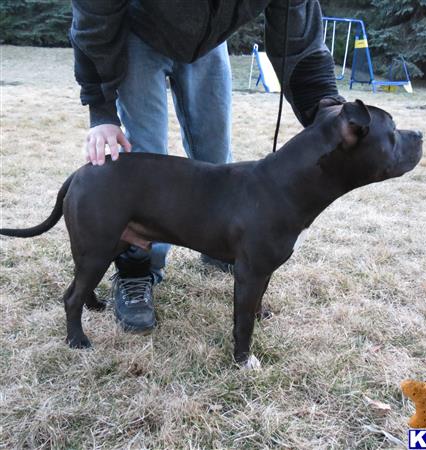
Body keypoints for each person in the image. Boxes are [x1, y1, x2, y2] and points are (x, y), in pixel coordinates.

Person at [70, 0, 344, 333]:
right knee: (144, 158)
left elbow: (299, 40)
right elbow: (94, 14)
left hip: (209, 44)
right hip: (137, 30)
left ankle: (220, 249)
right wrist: (101, 109)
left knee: (215, 156)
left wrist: (327, 108)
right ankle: (137, 270)